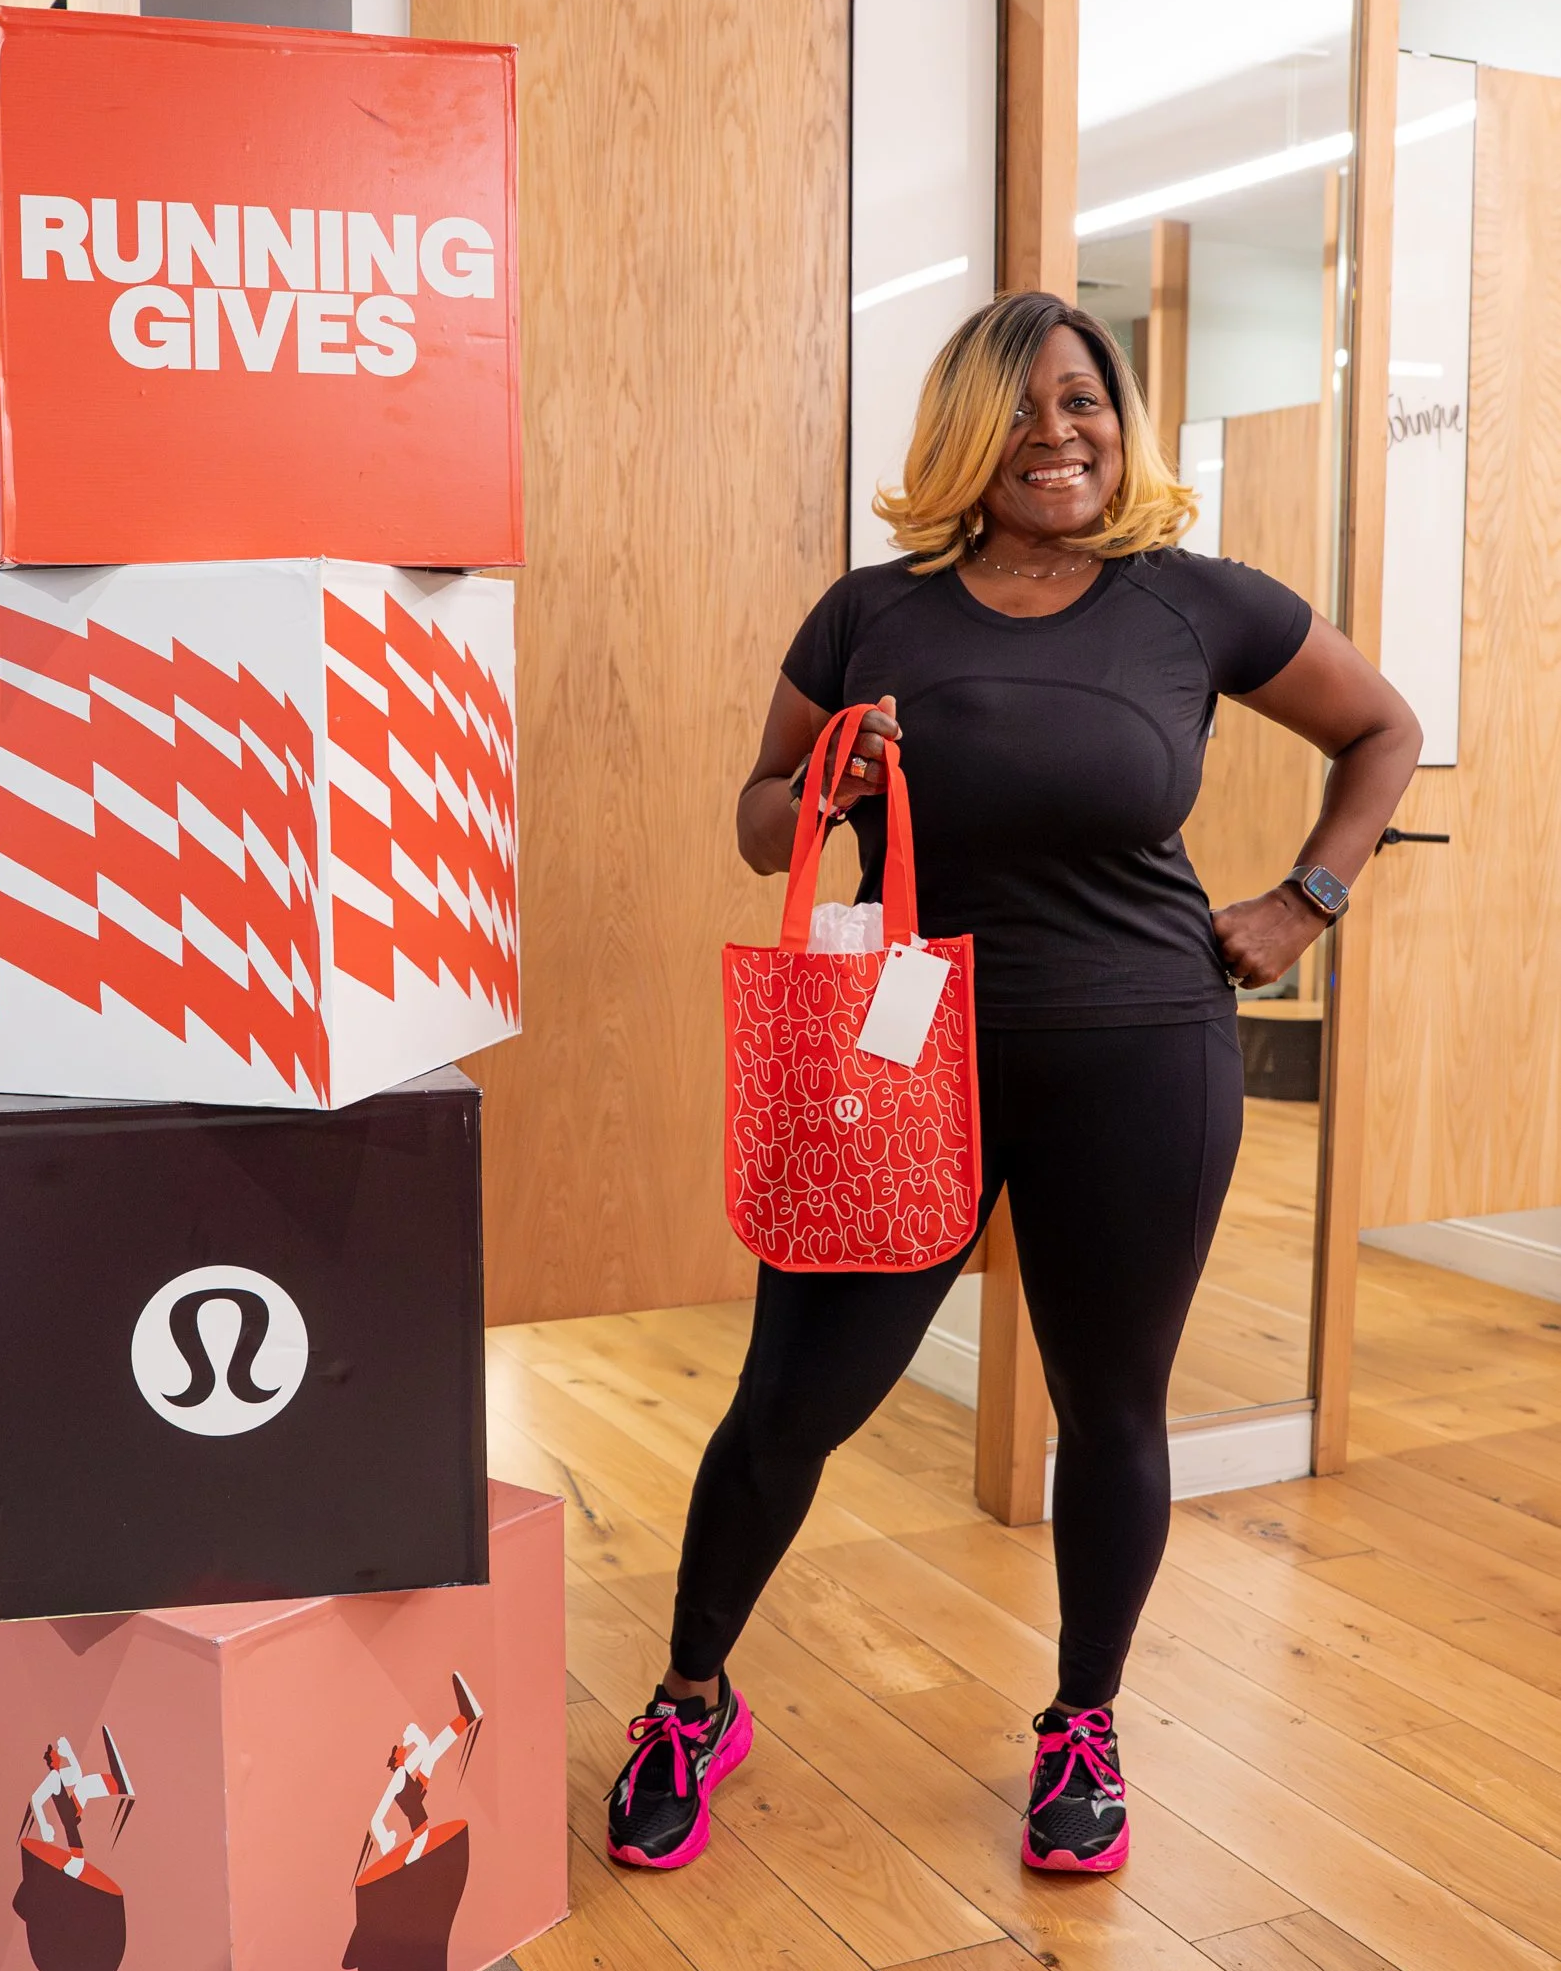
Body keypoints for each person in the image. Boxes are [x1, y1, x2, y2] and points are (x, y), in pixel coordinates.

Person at [605, 288, 1420, 1877]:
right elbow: (761, 822)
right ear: (966, 436)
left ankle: (1084, 1722)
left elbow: (1382, 728)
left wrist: (1304, 902)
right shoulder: (870, 612)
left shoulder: (1194, 601)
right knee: (791, 1403)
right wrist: (820, 777)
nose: (1061, 433)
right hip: (898, 1062)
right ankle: (692, 1699)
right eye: (1025, 408)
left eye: (1086, 400)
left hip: (1143, 1055)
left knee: (1111, 1409)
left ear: (1121, 424)